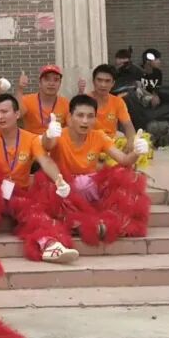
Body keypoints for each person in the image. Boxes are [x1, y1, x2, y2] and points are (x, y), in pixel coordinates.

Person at [0, 94, 78, 264]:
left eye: (4, 111)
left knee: (34, 211)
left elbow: (45, 161)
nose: (0, 117)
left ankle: (49, 245)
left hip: (19, 195)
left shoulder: (31, 138)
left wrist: (59, 180)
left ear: (17, 114)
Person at [44, 94, 151, 245]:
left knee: (125, 175)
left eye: (90, 116)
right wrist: (48, 135)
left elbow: (124, 160)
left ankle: (113, 223)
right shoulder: (59, 134)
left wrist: (136, 152)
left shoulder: (99, 136)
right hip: (64, 188)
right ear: (70, 117)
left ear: (95, 119)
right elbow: (47, 145)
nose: (85, 121)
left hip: (91, 187)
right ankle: (82, 224)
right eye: (80, 115)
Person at [89, 64, 137, 152]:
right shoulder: (84, 100)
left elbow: (128, 126)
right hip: (90, 144)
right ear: (93, 81)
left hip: (111, 144)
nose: (103, 85)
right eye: (99, 80)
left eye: (107, 81)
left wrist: (131, 141)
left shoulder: (118, 102)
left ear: (113, 83)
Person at [17, 64, 69, 136]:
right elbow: (18, 115)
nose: (51, 83)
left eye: (56, 80)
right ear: (40, 83)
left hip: (56, 140)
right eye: (47, 79)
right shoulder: (27, 100)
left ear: (60, 84)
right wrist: (20, 89)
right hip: (32, 141)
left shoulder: (65, 103)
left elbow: (71, 128)